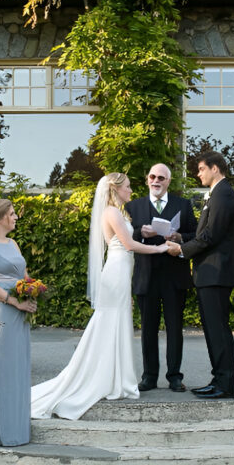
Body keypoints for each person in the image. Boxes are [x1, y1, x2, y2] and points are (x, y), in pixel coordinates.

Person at [31, 173, 168, 419]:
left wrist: (142, 234)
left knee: (116, 322)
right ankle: (108, 378)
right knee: (110, 322)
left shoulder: (118, 213)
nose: (130, 191)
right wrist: (159, 248)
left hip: (120, 271)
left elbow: (127, 240)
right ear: (115, 189)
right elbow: (128, 245)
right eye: (127, 187)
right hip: (116, 272)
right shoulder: (112, 212)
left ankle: (116, 377)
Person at [166, 151, 234, 400]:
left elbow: (211, 236)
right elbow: (204, 232)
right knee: (212, 329)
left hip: (216, 274)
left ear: (215, 168)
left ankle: (226, 385)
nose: (198, 174)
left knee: (218, 329)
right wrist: (181, 237)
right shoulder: (217, 194)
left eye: (201, 169)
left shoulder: (224, 194)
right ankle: (219, 378)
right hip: (209, 274)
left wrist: (181, 250)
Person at [126, 163, 196, 393]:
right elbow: (125, 236)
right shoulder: (133, 207)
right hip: (146, 276)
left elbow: (195, 234)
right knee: (148, 329)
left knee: (175, 328)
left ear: (168, 181)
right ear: (147, 179)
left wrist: (179, 236)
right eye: (152, 176)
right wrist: (140, 234)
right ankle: (149, 376)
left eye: (161, 178)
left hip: (175, 276)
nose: (156, 181)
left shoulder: (183, 205)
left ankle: (175, 376)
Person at [0, 199, 37, 447]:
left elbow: (22, 275)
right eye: (12, 214)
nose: (15, 217)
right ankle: (3, 433)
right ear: (1, 217)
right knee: (2, 370)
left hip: (19, 312)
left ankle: (19, 431)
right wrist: (16, 302)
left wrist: (33, 290)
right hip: (0, 312)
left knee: (18, 369)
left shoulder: (12, 243)